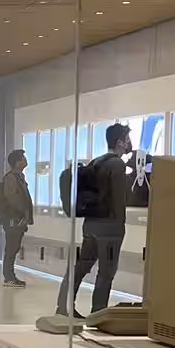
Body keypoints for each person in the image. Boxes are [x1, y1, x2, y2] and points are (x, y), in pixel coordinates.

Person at [56, 122, 132, 318]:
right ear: (120, 142)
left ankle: (63, 308)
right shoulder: (117, 165)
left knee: (80, 267)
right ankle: (98, 314)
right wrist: (120, 228)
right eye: (127, 139)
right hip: (109, 228)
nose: (129, 143)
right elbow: (118, 200)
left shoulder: (97, 162)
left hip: (90, 225)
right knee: (106, 273)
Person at [0, 148, 34, 287]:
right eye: (23, 158)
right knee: (12, 247)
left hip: (19, 219)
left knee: (15, 247)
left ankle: (10, 276)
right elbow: (12, 198)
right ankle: (9, 277)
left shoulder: (20, 177)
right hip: (13, 219)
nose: (25, 161)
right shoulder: (11, 178)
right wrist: (22, 213)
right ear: (17, 162)